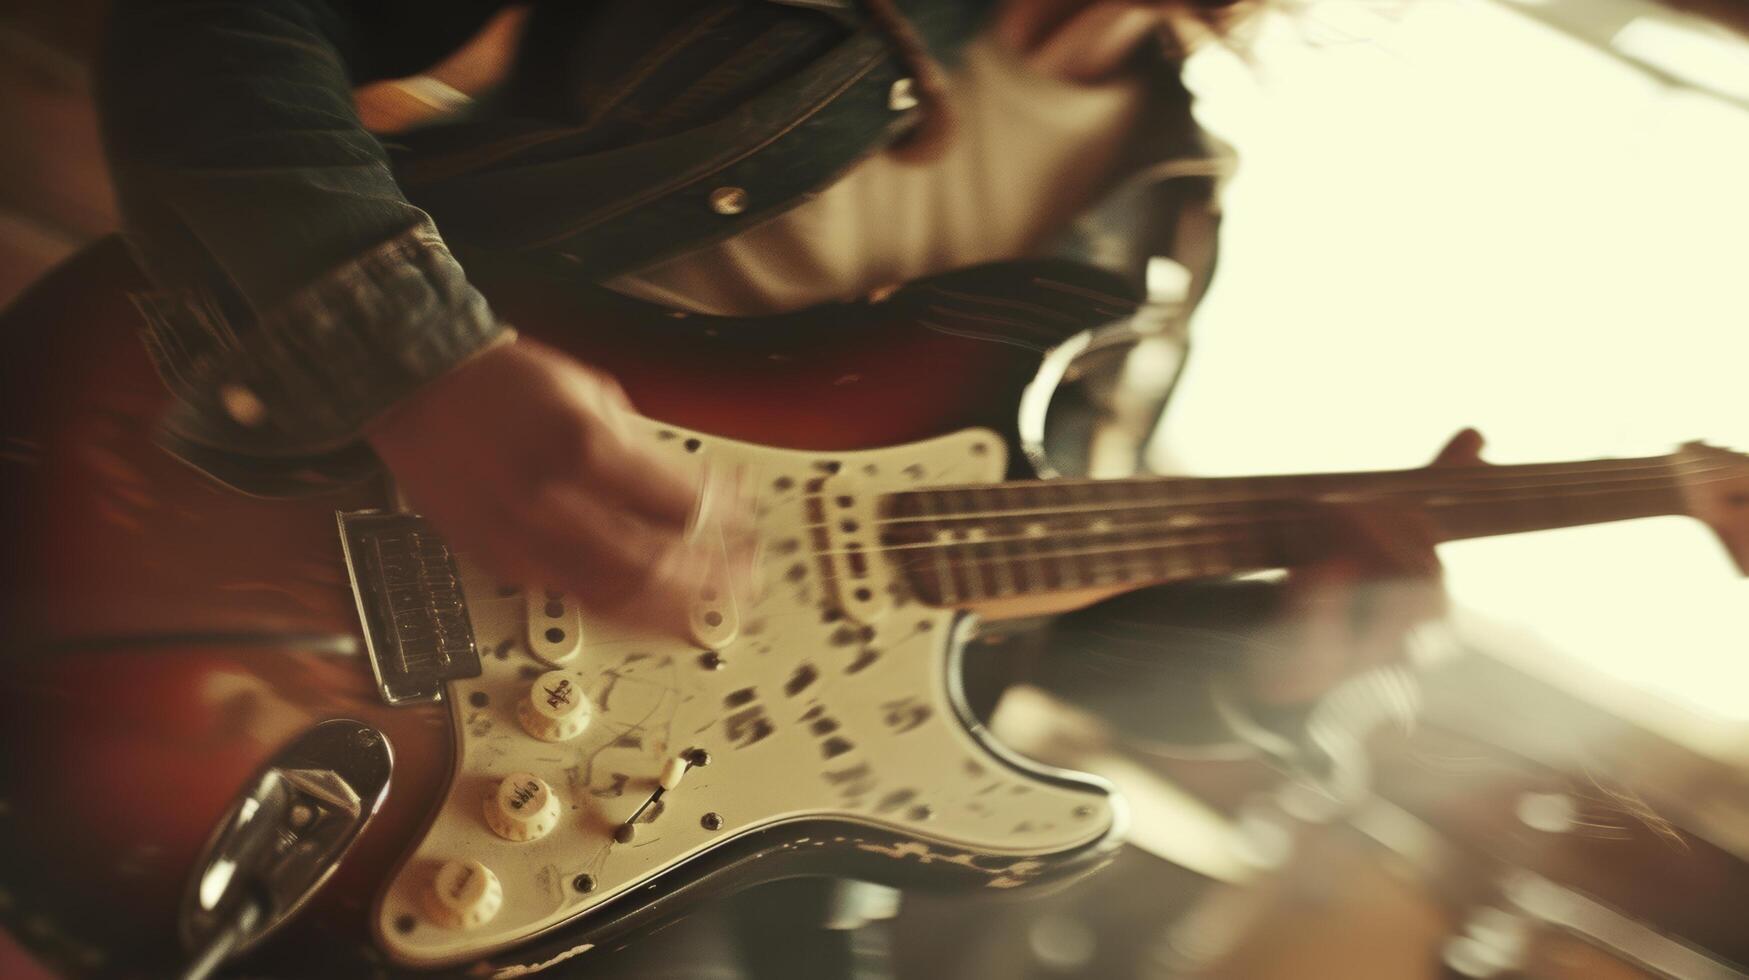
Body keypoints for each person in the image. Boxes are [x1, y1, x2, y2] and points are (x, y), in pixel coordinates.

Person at [94, 1, 1461, 975]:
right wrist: (417, 365)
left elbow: (950, 601)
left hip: (609, 795)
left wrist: (1267, 665)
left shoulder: (1170, 208)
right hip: (256, 528)